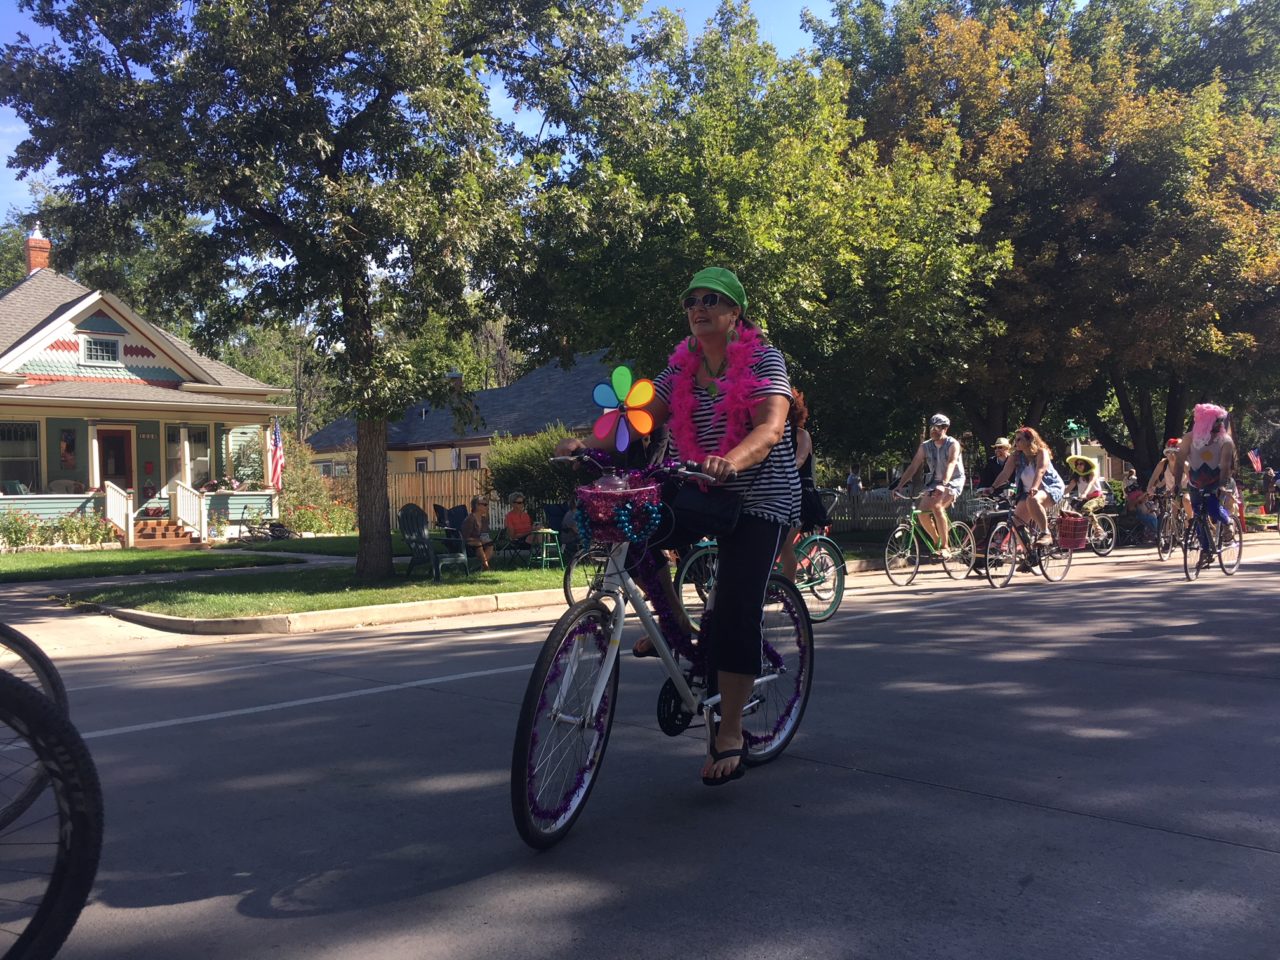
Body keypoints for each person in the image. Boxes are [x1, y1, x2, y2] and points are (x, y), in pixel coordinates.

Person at [556, 266, 797, 787]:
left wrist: (731, 460)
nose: (699, 307)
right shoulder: (680, 369)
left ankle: (729, 729)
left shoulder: (763, 361)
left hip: (759, 497)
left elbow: (771, 427)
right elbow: (638, 419)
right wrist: (585, 445)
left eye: (712, 299)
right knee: (631, 526)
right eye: (692, 300)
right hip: (703, 487)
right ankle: (681, 632)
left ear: (735, 314)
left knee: (734, 607)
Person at [980, 426, 1064, 547]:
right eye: (1015, 439)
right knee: (1016, 522)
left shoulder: (1041, 452)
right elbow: (1005, 474)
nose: (1015, 443)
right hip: (1027, 492)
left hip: (1049, 488)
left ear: (1029, 440)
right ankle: (1028, 557)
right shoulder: (1016, 456)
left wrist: (1035, 487)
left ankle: (1045, 533)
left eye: (1019, 439)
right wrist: (992, 488)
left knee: (1033, 499)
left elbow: (1040, 470)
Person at [1173, 403, 1236, 558]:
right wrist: (1176, 484)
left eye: (1221, 421)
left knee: (1213, 508)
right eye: (1217, 422)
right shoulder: (1189, 438)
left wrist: (1222, 485)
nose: (1220, 425)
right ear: (1205, 422)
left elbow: (1226, 466)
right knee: (1198, 515)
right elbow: (1180, 462)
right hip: (1195, 482)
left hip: (1215, 481)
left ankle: (1228, 522)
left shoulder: (1225, 441)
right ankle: (1206, 550)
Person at [895, 414, 965, 553]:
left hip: (953, 481)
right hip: (934, 482)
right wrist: (899, 486)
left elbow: (951, 463)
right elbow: (914, 465)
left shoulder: (953, 444)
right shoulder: (926, 446)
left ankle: (945, 547)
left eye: (937, 427)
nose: (933, 430)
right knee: (922, 513)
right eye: (931, 427)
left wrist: (943, 484)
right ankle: (937, 541)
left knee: (937, 506)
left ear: (945, 429)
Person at [778, 389, 815, 582]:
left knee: (785, 543)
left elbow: (799, 460)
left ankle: (789, 594)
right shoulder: (774, 434)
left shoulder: (801, 435)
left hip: (801, 496)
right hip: (780, 494)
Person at [1146, 439, 1191, 521]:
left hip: (1185, 489)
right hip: (1170, 492)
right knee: (1171, 514)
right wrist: (1149, 488)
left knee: (1186, 500)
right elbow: (1153, 478)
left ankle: (1190, 521)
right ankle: (1168, 532)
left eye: (1174, 452)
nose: (1171, 455)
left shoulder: (1184, 464)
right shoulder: (1162, 464)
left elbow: (1192, 481)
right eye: (1168, 452)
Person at [460, 495, 495, 571]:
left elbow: (485, 533)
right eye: (485, 504)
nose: (487, 506)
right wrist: (479, 540)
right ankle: (486, 567)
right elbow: (465, 537)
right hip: (468, 544)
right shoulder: (470, 519)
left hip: (480, 542)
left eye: (487, 504)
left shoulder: (484, 519)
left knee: (490, 543)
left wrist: (485, 539)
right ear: (477, 506)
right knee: (478, 544)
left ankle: (482, 567)